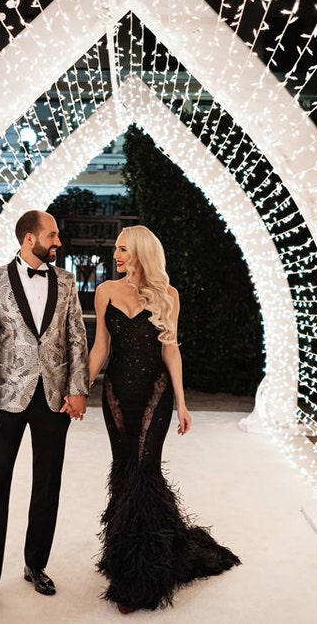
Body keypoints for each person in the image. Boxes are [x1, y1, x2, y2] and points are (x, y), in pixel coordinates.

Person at [88, 225, 240, 613]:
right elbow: (101, 348)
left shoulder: (168, 295)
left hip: (156, 394)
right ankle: (124, 559)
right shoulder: (105, 291)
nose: (116, 255)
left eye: (123, 249)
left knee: (145, 471)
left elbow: (170, 351)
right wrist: (77, 387)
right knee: (124, 469)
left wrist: (183, 402)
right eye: (116, 249)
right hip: (116, 395)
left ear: (140, 252)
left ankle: (145, 573)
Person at [0, 210, 90, 611]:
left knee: (47, 483)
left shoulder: (67, 282)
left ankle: (35, 564)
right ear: (29, 239)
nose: (58, 242)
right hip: (6, 399)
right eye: (52, 236)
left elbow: (76, 338)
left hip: (54, 398)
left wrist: (77, 390)